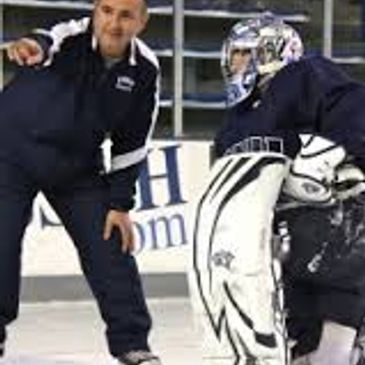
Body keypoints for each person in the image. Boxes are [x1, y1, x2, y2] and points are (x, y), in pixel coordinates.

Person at [189, 13, 365, 365]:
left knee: (333, 345)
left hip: (339, 220)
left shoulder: (304, 75)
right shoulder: (236, 119)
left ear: (271, 51)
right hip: (287, 237)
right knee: (300, 344)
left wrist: (344, 153)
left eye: (242, 53)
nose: (233, 62)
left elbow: (356, 110)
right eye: (233, 53)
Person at [0, 0, 162, 364]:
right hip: (10, 153)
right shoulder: (69, 36)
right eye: (106, 10)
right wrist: (31, 46)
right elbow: (44, 41)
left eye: (126, 15)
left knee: (110, 245)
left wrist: (120, 205)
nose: (114, 23)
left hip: (76, 168)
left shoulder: (145, 70)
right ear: (94, 12)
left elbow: (132, 143)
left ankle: (132, 344)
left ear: (142, 22)